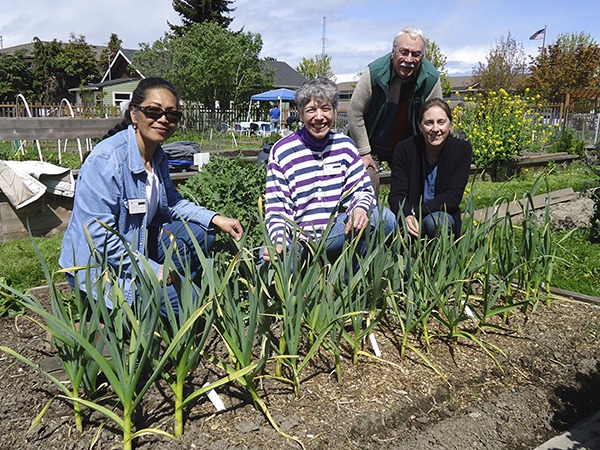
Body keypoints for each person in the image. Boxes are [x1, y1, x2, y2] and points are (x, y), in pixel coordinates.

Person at [59, 77, 243, 315]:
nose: (163, 119)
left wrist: (215, 218)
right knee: (193, 305)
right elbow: (97, 237)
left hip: (134, 246)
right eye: (153, 111)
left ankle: (162, 295)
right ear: (135, 114)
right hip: (99, 267)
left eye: (172, 114)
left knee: (200, 233)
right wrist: (150, 269)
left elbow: (173, 203)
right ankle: (114, 315)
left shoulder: (158, 156)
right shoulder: (107, 161)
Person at [262, 77, 395, 264]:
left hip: (335, 232)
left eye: (325, 109)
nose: (319, 117)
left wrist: (359, 209)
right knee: (268, 259)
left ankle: (352, 280)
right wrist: (279, 240)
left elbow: (362, 189)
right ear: (300, 114)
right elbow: (277, 207)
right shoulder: (283, 151)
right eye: (310, 110)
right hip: (299, 239)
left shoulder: (345, 146)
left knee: (384, 218)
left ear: (333, 111)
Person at [348, 26, 443, 195]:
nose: (409, 59)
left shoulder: (431, 79)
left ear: (423, 56)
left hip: (406, 146)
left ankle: (406, 219)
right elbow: (355, 112)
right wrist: (364, 152)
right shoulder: (374, 72)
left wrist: (429, 154)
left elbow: (436, 119)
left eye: (416, 54)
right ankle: (370, 219)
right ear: (393, 51)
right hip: (370, 143)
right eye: (403, 52)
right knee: (367, 179)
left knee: (415, 183)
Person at [388, 98, 472, 239]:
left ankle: (440, 259)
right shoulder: (405, 149)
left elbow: (453, 197)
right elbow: (396, 195)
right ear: (420, 126)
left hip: (442, 214)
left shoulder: (461, 150)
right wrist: (407, 215)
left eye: (441, 122)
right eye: (429, 123)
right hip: (410, 217)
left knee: (435, 222)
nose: (435, 129)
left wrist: (417, 212)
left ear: (450, 124)